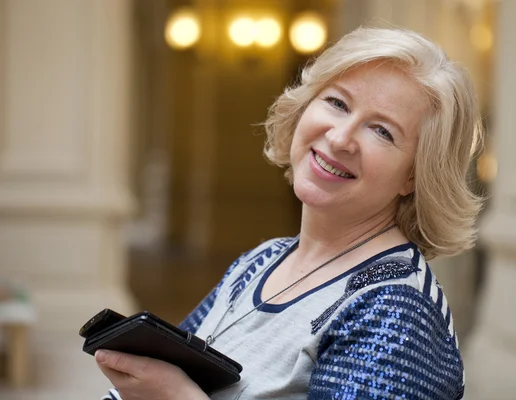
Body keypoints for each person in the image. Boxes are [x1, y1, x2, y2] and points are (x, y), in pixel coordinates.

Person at [96, 27, 482, 400]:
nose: (339, 137)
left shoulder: (397, 312)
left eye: (382, 131)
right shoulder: (261, 261)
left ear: (415, 175)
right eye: (337, 103)